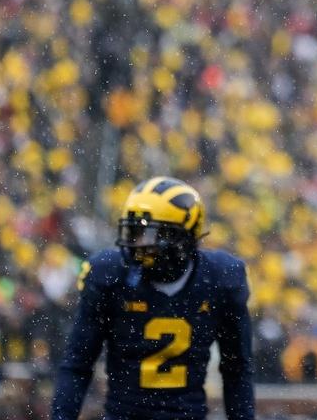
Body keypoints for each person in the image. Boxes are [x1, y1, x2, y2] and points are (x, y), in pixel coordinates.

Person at [51, 177, 254, 420]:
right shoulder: (111, 274)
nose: (135, 243)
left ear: (180, 238)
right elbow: (78, 364)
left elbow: (237, 370)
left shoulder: (220, 279)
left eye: (146, 232)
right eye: (133, 231)